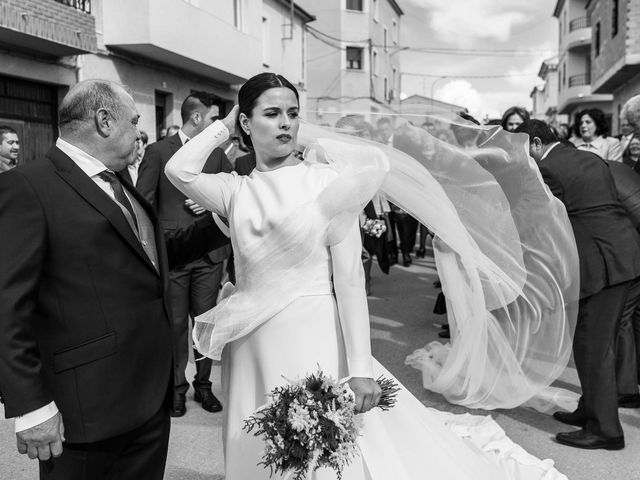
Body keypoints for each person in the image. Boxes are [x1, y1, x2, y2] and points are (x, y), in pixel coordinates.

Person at [165, 72, 571, 479]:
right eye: (271, 113)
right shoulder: (234, 190)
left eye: (292, 112)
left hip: (313, 335)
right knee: (255, 440)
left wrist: (360, 368)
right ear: (247, 125)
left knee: (320, 451)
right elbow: (178, 170)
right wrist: (225, 122)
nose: (286, 122)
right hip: (250, 341)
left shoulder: (329, 182)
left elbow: (349, 281)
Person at [0, 79, 230, 479]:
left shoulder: (119, 180)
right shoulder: (28, 187)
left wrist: (221, 221)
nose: (139, 134)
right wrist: (31, 406)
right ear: (104, 121)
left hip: (147, 402)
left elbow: (150, 259)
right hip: (85, 413)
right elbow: (6, 307)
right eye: (134, 122)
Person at [517, 119, 640, 450]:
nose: (521, 158)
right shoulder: (587, 157)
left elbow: (543, 222)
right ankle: (590, 409)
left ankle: (606, 430)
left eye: (521, 150)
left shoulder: (547, 171)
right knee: (601, 341)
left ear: (537, 144)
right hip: (627, 254)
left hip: (602, 265)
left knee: (592, 345)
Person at [137, 91, 232, 417]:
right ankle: (177, 388)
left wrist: (207, 205)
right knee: (176, 326)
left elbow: (233, 199)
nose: (217, 124)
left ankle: (204, 388)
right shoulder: (159, 151)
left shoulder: (218, 156)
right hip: (173, 256)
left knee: (205, 325)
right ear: (196, 118)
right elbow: (144, 202)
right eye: (213, 118)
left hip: (207, 258)